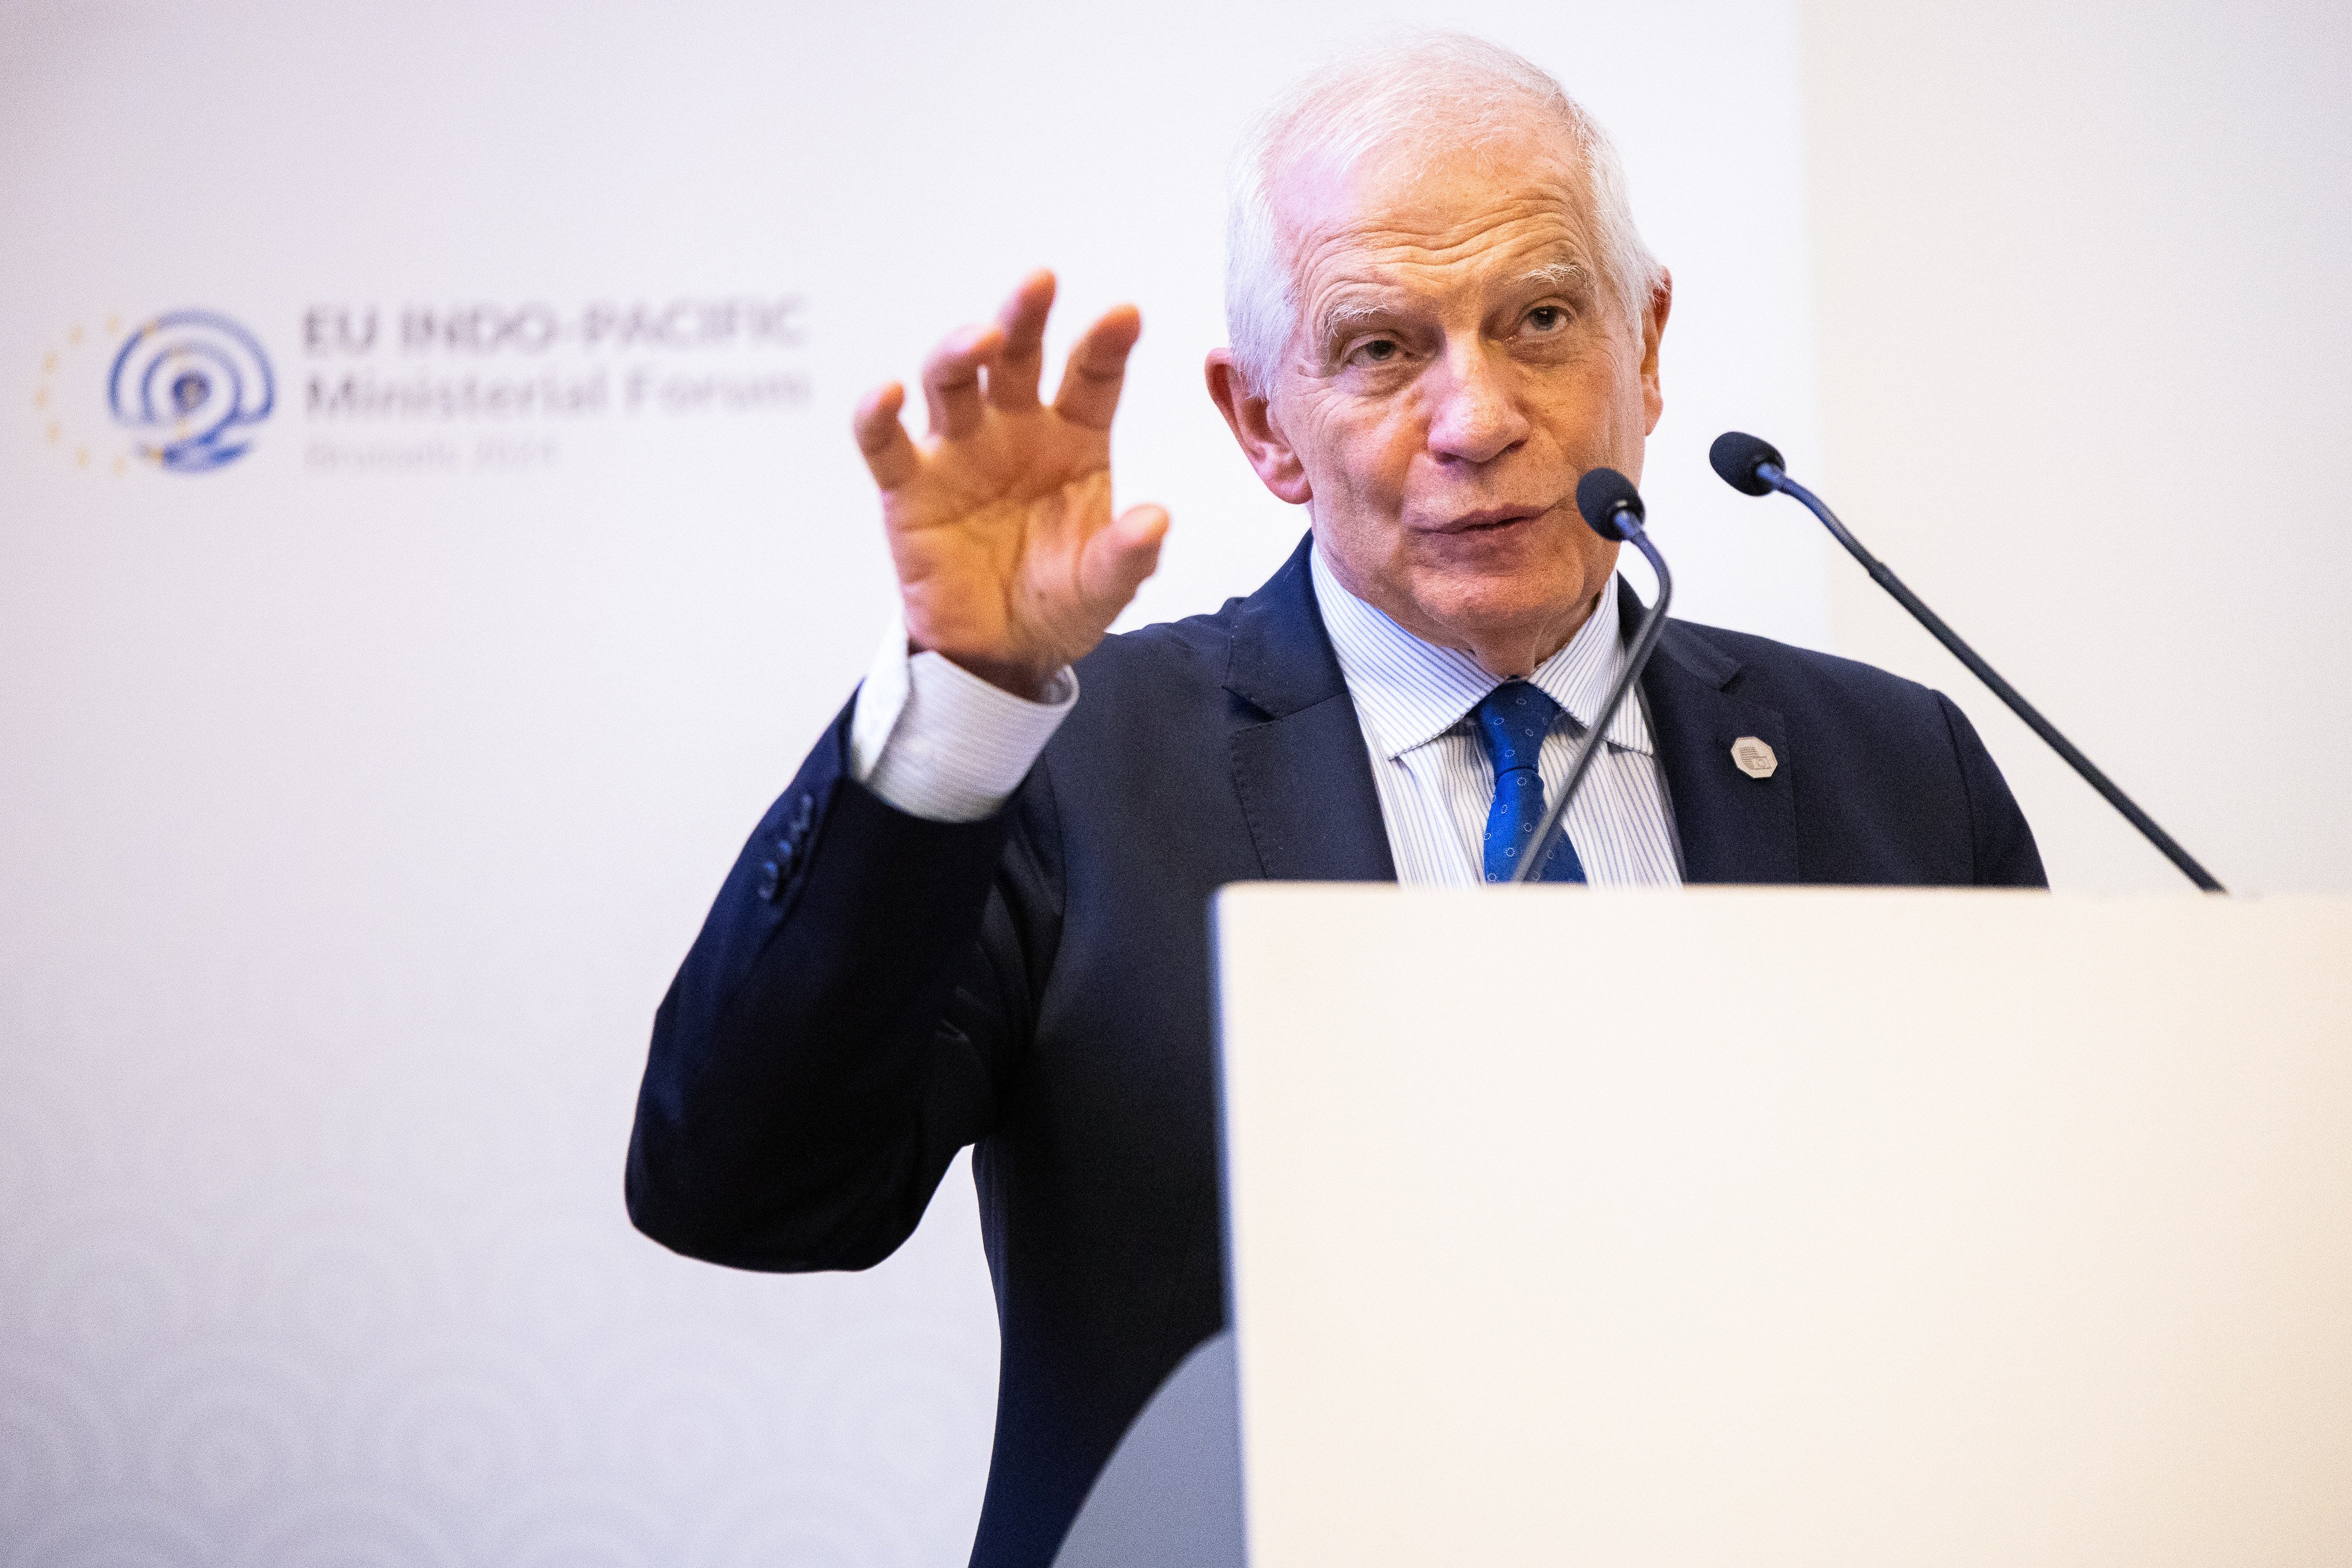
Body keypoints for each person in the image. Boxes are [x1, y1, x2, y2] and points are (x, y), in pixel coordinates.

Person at [626, 33, 2044, 1568]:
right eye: (1381, 348)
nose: (1476, 416)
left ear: (1645, 346)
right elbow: (750, 1193)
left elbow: (2026, 1280)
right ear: (1259, 424)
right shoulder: (1072, 768)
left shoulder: (1896, 767)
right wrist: (961, 704)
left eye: (1544, 319)